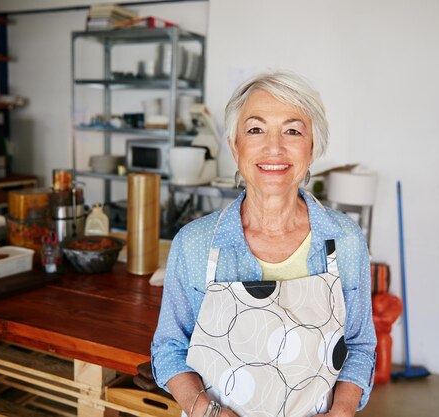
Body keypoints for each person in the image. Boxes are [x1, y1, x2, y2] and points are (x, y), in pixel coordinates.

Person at [149, 70, 376, 417]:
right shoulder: (194, 244)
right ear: (234, 145)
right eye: (255, 129)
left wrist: (342, 410)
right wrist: (206, 411)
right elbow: (168, 348)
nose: (274, 147)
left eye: (292, 130)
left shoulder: (344, 240)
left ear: (313, 145)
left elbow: (359, 346)